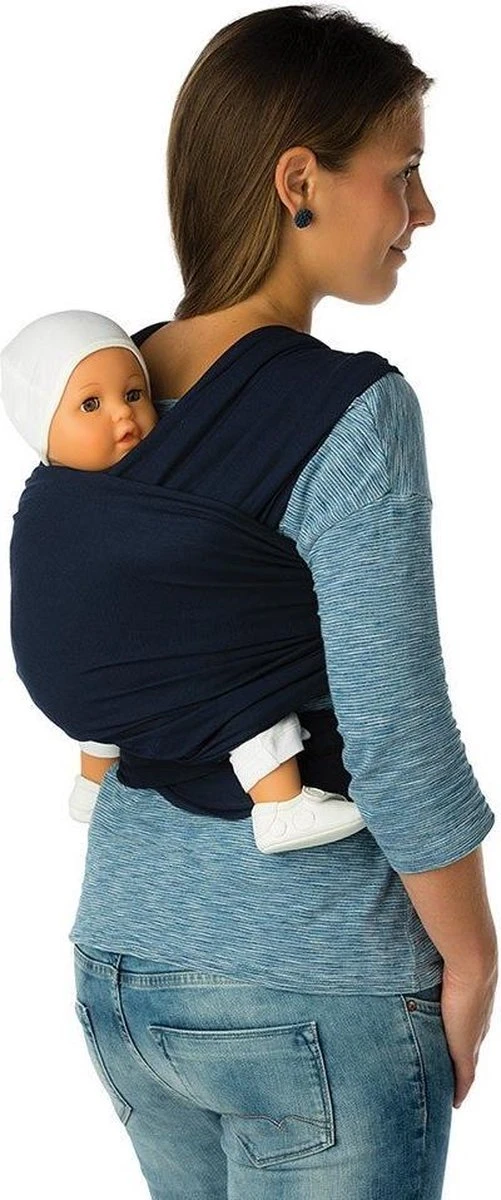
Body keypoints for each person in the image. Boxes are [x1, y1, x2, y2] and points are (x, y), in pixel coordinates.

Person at [6, 6, 499, 1198]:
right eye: (403, 172)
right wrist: (474, 959)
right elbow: (394, 732)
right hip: (311, 978)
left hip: (124, 971)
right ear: (300, 183)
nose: (424, 211)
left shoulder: (100, 396)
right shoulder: (349, 410)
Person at [1, 307, 366, 854]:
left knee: (133, 656)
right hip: (100, 680)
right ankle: (280, 804)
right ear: (41, 429)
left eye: (134, 394)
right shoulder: (55, 507)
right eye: (90, 405)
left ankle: (94, 780)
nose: (123, 416)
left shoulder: (57, 503)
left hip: (77, 692)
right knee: (233, 677)